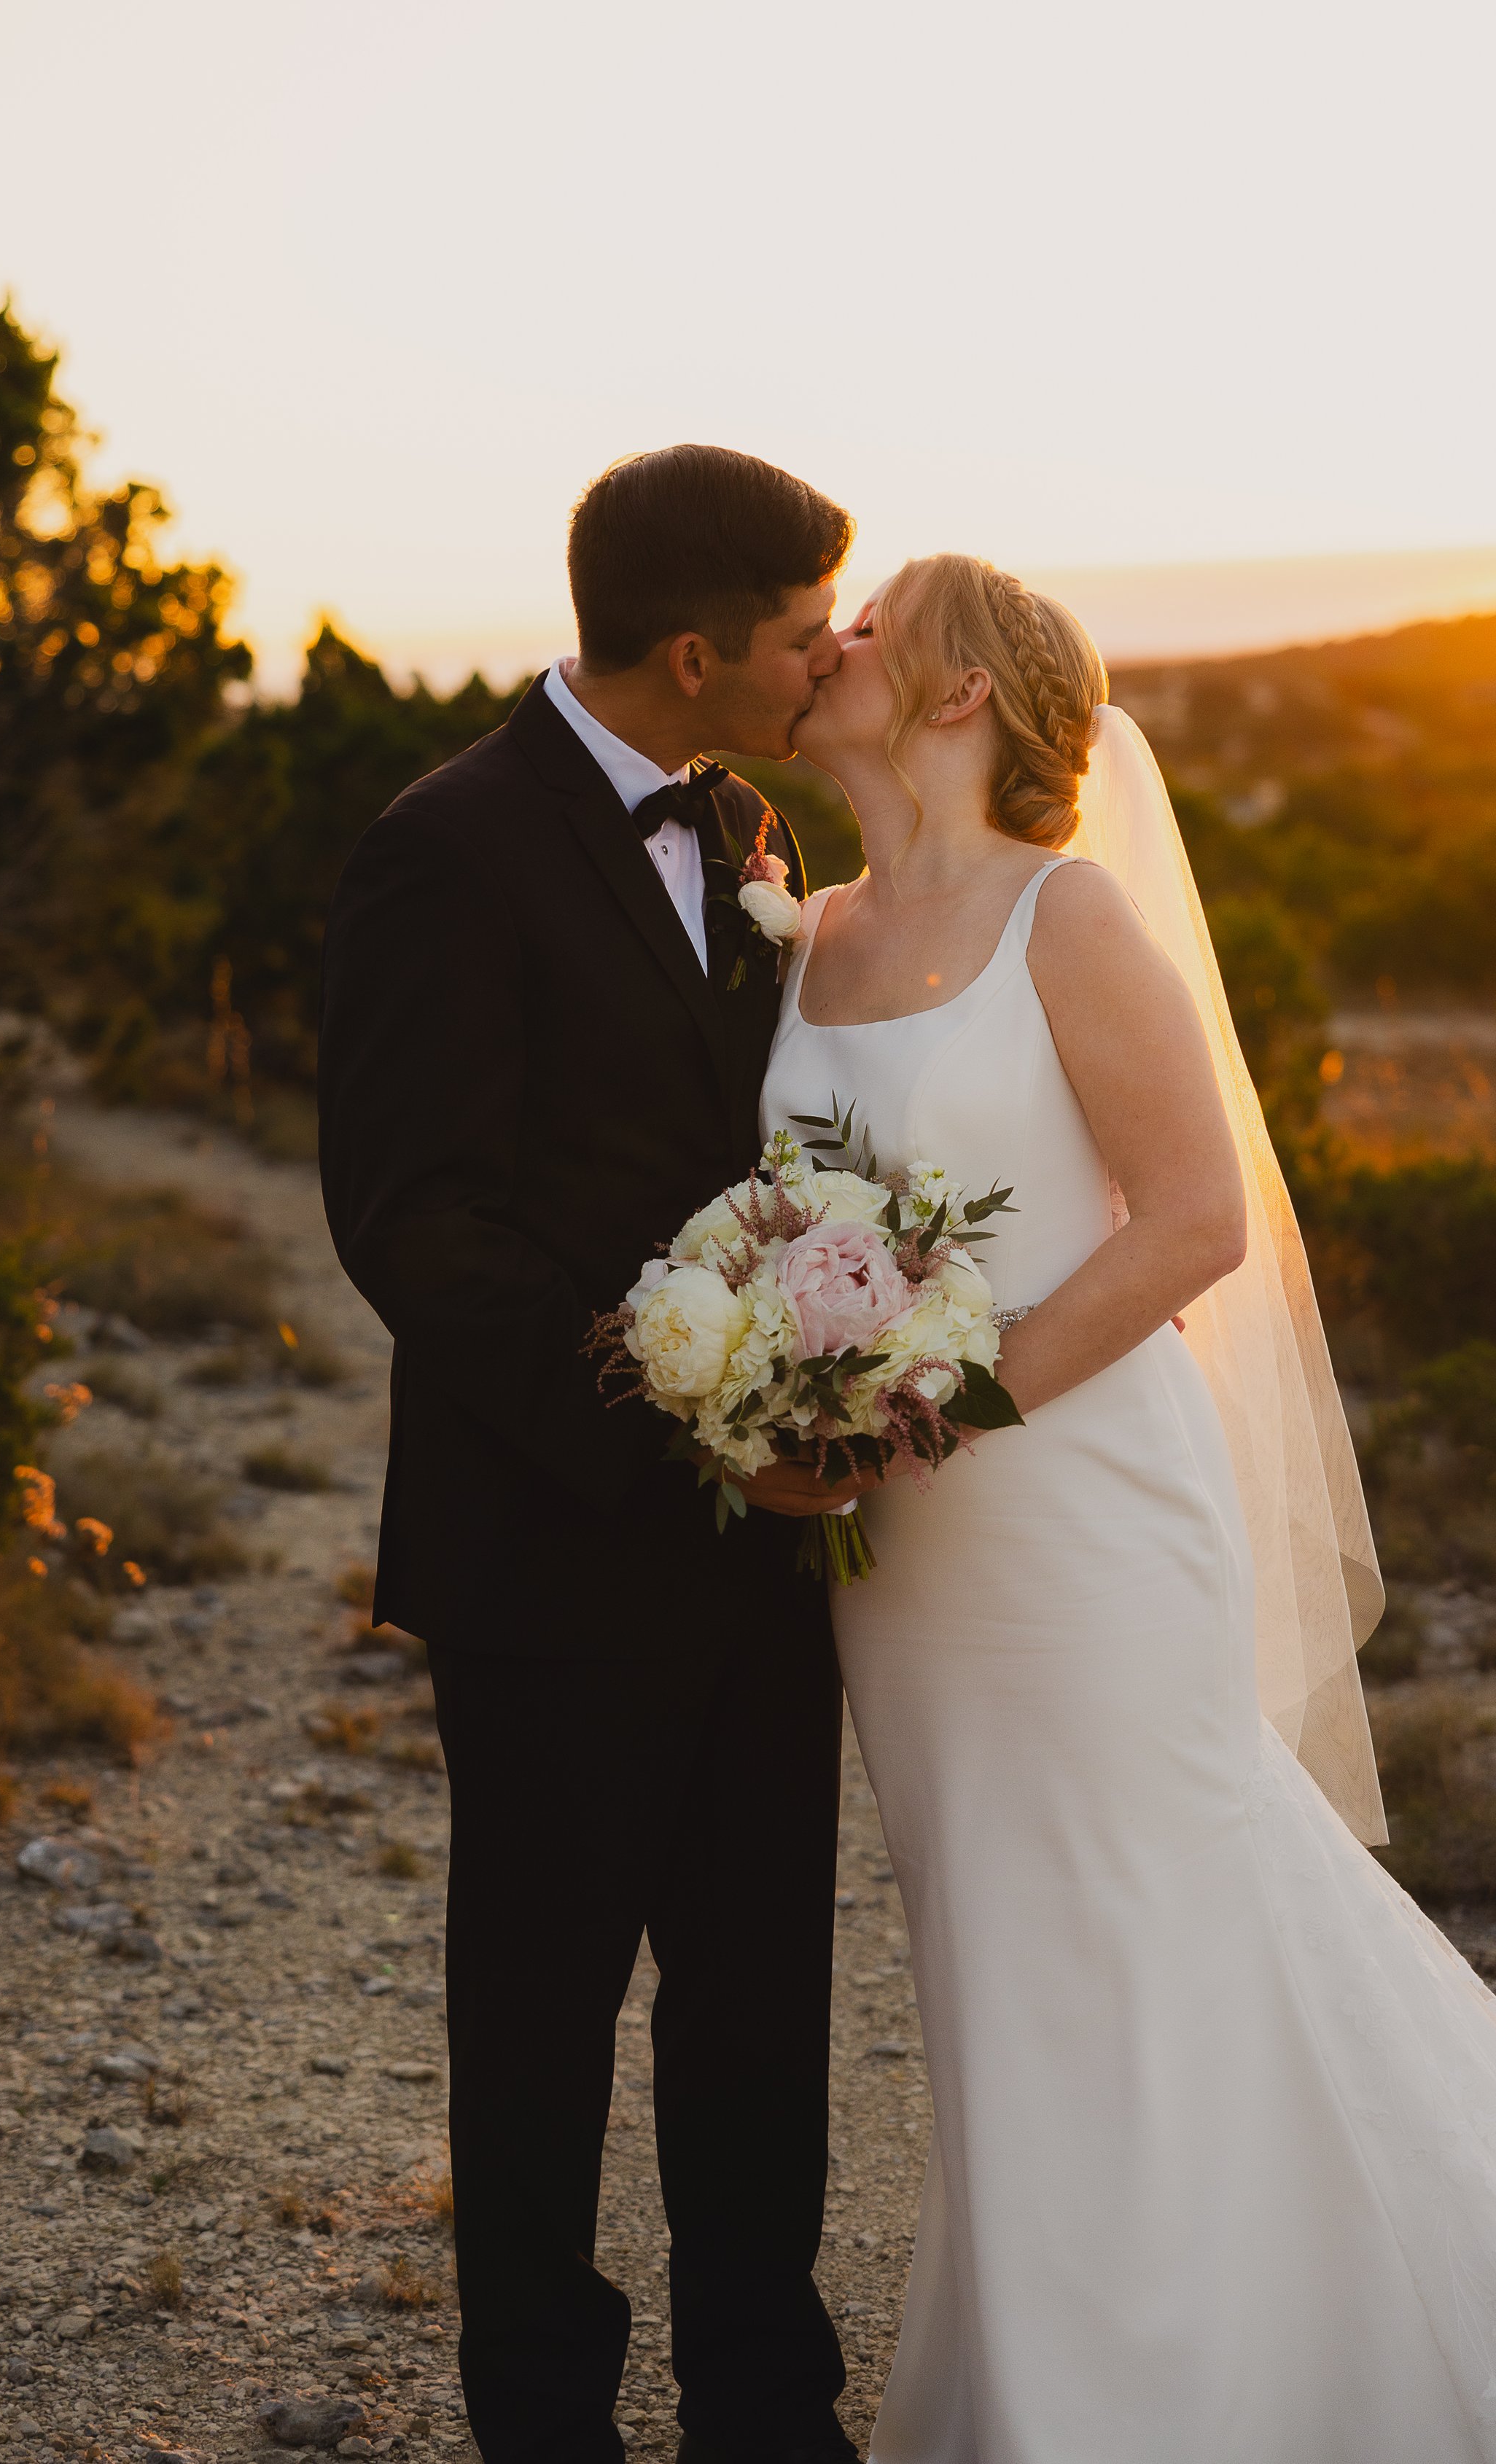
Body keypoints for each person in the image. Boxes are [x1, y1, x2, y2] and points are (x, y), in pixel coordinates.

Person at [764, 550, 1496, 2463]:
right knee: (991, 1957)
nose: (834, 641)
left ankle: (1139, 2406)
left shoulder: (1073, 919)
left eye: (875, 622)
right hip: (908, 1572)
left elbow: (1194, 1221)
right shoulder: (806, 938)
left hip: (1084, 1530)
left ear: (962, 693)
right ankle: (1064, 2371)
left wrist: (937, 1408)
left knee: (1146, 1931)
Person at [319, 445, 865, 2464]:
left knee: (758, 2013)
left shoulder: (745, 818)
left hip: (765, 1544)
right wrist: (677, 1416)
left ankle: (765, 2408)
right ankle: (542, 2422)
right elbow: (415, 1219)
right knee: (538, 2026)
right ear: (698, 647)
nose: (833, 660)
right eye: (809, 633)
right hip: (549, 1547)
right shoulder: (441, 849)